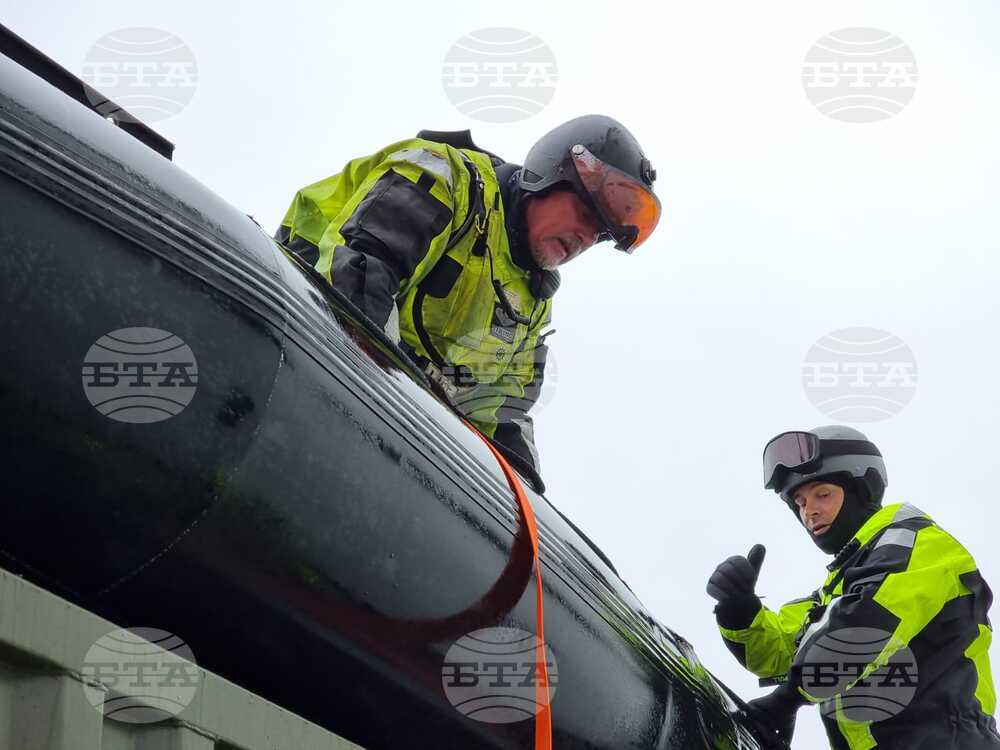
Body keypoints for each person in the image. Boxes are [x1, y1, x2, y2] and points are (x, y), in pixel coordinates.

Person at [274, 115, 660, 490]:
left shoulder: (531, 309)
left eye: (600, 234)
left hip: (378, 426)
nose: (586, 239)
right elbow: (356, 279)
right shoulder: (447, 178)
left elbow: (505, 423)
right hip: (291, 336)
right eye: (584, 213)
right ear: (550, 174)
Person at [706, 425, 1000, 749]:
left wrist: (787, 699)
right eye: (800, 503)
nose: (810, 511)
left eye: (823, 494)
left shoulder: (919, 543)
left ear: (863, 489)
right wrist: (739, 612)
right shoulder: (837, 593)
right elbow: (780, 654)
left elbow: (865, 626)